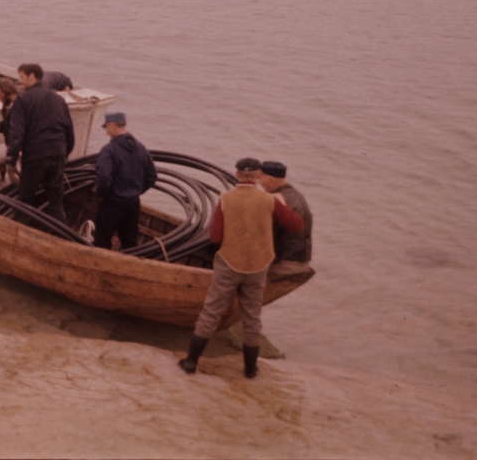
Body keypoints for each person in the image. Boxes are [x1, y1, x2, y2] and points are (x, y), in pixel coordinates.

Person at [179, 157, 304, 380]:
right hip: (258, 265)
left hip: (229, 263)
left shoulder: (226, 198)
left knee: (210, 313)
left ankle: (190, 362)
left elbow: (215, 236)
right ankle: (249, 370)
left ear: (237, 175)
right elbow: (296, 225)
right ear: (258, 176)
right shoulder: (269, 200)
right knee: (252, 318)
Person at [6, 63, 75, 222]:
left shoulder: (22, 99)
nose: (20, 82)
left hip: (35, 155)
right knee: (56, 203)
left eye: (22, 78)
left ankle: (19, 237)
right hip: (58, 153)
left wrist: (11, 159)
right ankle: (61, 237)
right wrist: (64, 154)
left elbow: (16, 134)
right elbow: (69, 132)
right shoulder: (59, 99)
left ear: (32, 76)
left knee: (25, 201)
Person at [92, 113, 158, 250]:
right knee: (130, 243)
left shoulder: (109, 150)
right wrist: (136, 191)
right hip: (133, 204)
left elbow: (103, 177)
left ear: (113, 126)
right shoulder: (141, 148)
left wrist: (102, 195)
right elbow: (152, 176)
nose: (106, 132)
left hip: (112, 203)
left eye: (107, 128)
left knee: (101, 242)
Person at [259, 160, 313, 276]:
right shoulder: (295, 194)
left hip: (286, 265)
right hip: (302, 260)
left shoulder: (276, 199)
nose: (260, 183)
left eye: (261, 180)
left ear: (270, 180)